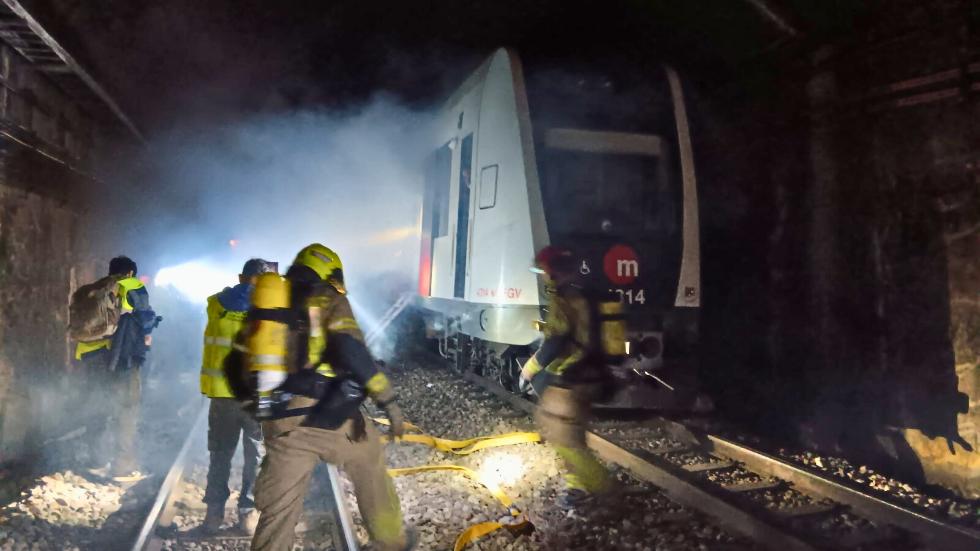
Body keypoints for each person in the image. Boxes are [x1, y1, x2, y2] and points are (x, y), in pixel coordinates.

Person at [250, 243, 412, 551]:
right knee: (369, 459)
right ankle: (391, 542)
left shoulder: (274, 301)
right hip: (327, 416)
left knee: (279, 513)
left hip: (281, 423)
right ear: (329, 273)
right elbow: (351, 349)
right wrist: (388, 402)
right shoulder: (328, 299)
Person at [519, 245, 617, 508]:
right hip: (594, 374)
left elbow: (557, 339)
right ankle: (577, 486)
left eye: (543, 270)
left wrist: (531, 367)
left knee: (557, 430)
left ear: (551, 273)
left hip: (576, 376)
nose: (541, 276)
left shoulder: (564, 297)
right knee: (572, 433)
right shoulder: (587, 292)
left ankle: (606, 490)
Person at [199, 258, 275, 534]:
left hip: (222, 396)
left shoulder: (216, 305)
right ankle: (247, 515)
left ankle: (213, 514)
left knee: (219, 455)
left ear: (241, 277)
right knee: (255, 455)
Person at [75, 255, 159, 481]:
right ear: (130, 273)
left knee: (95, 405)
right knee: (126, 409)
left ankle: (96, 461)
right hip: (120, 358)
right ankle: (122, 467)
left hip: (90, 356)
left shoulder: (93, 289)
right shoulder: (132, 285)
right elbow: (145, 317)